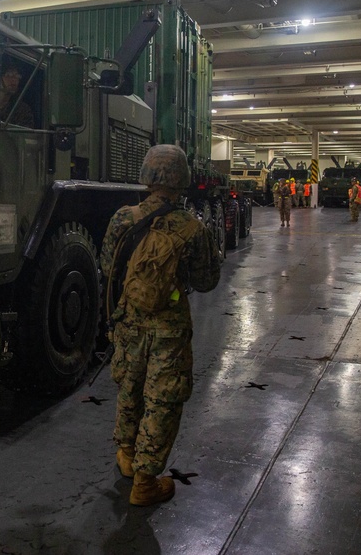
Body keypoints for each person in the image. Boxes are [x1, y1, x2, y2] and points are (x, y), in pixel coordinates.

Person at [100, 144, 221, 507]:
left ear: (147, 176)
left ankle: (125, 454)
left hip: (129, 321)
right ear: (182, 181)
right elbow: (207, 282)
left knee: (130, 387)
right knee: (162, 399)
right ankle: (145, 482)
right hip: (168, 327)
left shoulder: (125, 217)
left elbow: (108, 266)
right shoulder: (192, 228)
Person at [0, 62, 34, 128]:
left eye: (17, 76)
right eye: (9, 75)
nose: (14, 80)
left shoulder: (22, 110)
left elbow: (23, 136)